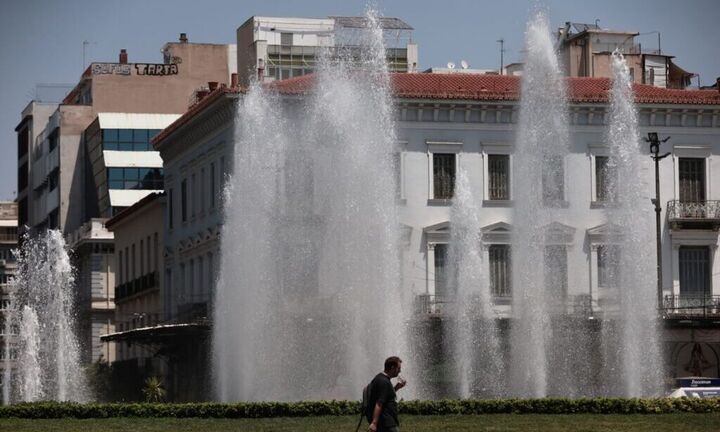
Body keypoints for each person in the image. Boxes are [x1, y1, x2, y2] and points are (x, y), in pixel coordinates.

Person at [367, 356, 406, 432]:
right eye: (398, 368)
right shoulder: (383, 382)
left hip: (386, 420)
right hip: (386, 422)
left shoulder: (382, 378)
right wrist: (374, 423)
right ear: (392, 368)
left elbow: (386, 396)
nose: (400, 371)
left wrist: (397, 387)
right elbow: (379, 403)